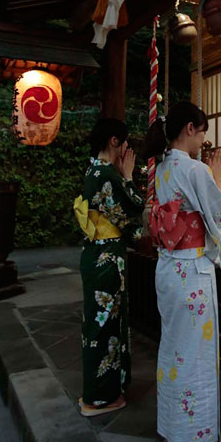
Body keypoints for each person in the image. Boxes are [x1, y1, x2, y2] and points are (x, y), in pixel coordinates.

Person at [144, 102, 221, 442]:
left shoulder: (162, 168)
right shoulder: (195, 169)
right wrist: (217, 176)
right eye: (203, 132)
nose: (203, 140)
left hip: (168, 269)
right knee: (194, 356)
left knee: (173, 352)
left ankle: (171, 432)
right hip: (192, 272)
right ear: (191, 129)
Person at [75, 118, 144, 417]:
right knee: (105, 325)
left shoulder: (95, 168)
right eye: (126, 143)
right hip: (106, 258)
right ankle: (101, 396)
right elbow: (132, 207)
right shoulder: (106, 173)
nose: (127, 150)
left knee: (99, 323)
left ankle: (102, 390)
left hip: (97, 253)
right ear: (114, 141)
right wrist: (128, 177)